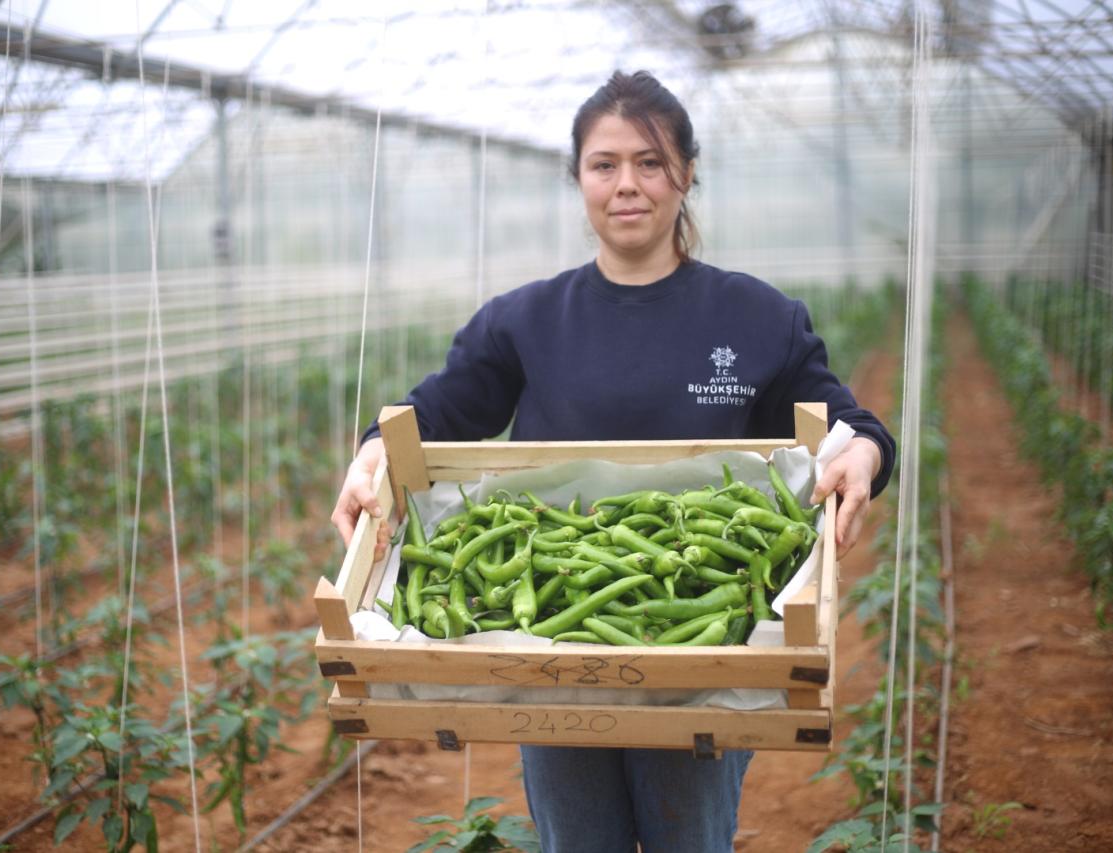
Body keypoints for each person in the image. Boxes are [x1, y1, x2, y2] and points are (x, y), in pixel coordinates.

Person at [331, 70, 895, 853]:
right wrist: (370, 453)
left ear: (686, 175)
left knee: (687, 837)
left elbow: (847, 421)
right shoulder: (526, 319)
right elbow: (434, 411)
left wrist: (864, 452)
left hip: (705, 635)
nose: (627, 184)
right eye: (604, 165)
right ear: (579, 180)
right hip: (553, 642)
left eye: (651, 162)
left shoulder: (755, 316)